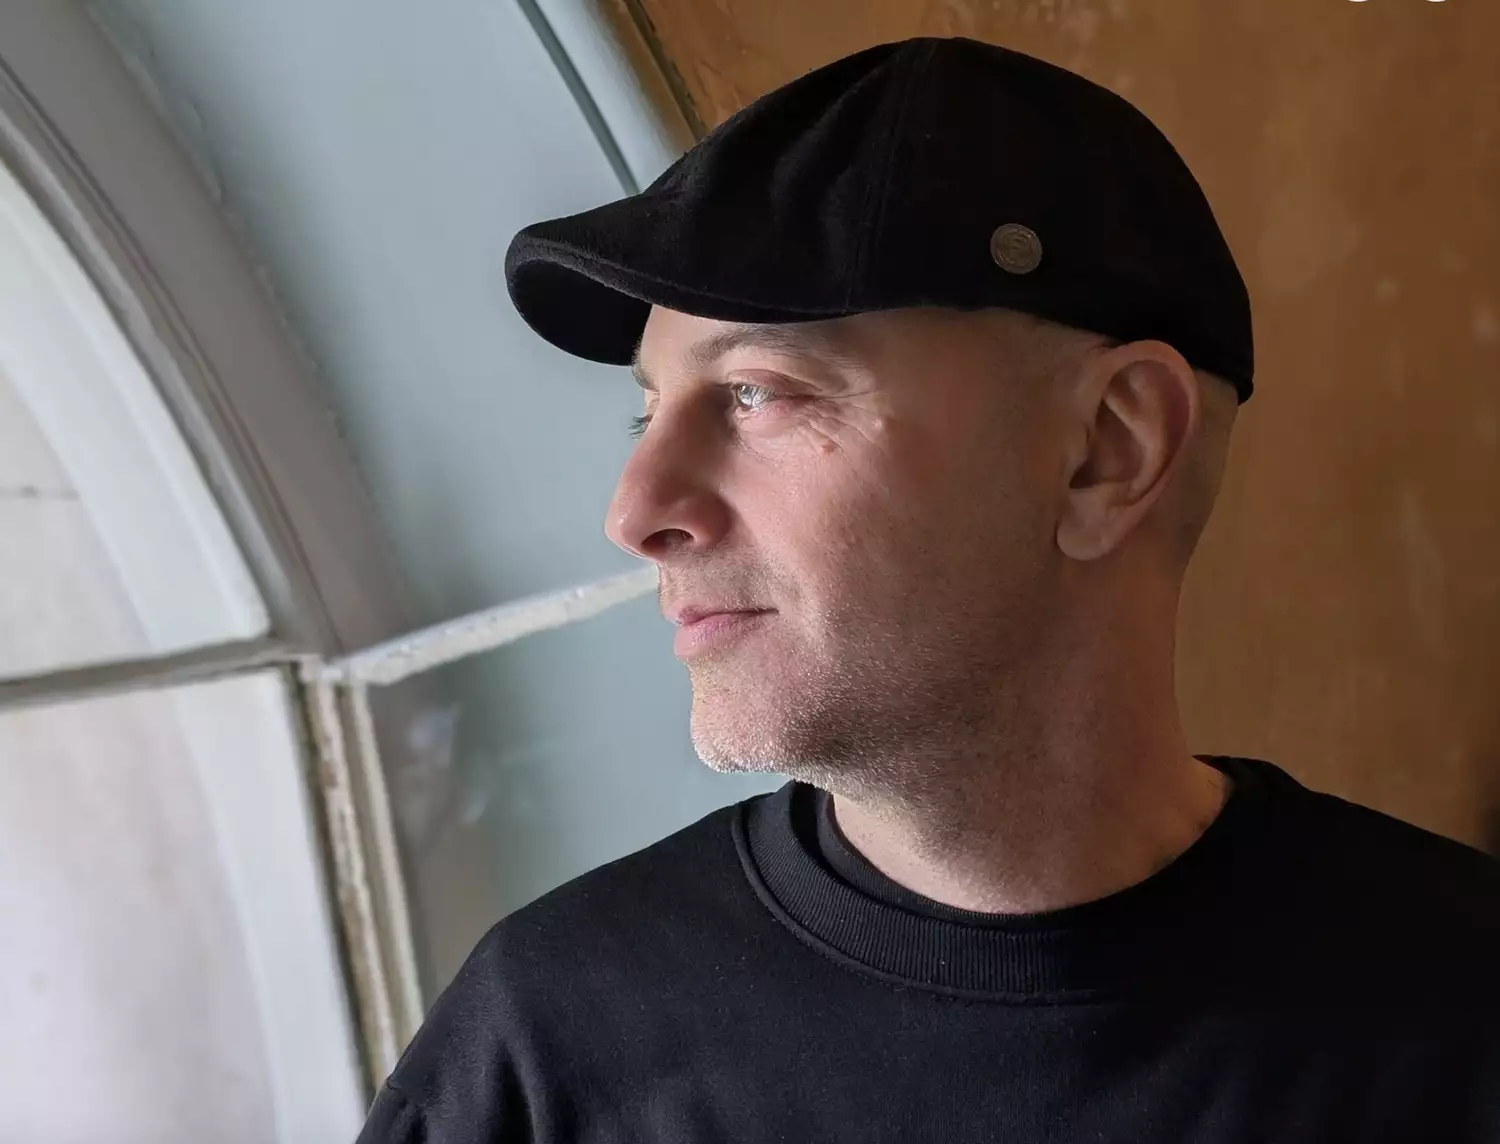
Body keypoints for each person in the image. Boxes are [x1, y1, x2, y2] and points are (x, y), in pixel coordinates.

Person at [358, 36, 1499, 1143]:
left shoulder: (1461, 1011)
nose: (636, 510)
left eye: (759, 394)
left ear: (1107, 448)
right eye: (645, 412)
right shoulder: (550, 1043)